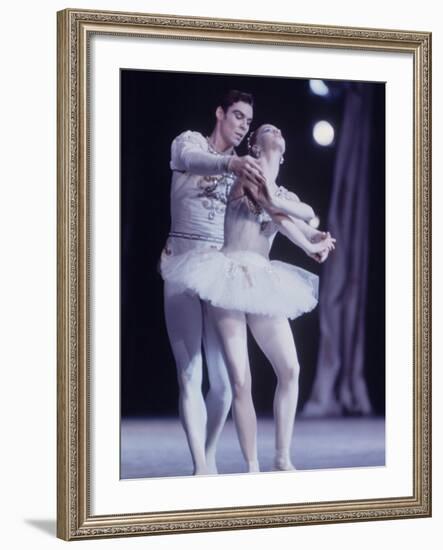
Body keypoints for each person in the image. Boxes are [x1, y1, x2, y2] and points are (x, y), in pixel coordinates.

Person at [162, 124, 335, 472]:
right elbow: (276, 212)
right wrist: (307, 244)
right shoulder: (247, 176)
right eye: (267, 129)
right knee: (240, 380)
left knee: (291, 368)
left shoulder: (282, 193)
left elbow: (297, 212)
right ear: (255, 146)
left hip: (262, 279)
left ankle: (282, 456)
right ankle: (252, 465)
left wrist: (318, 240)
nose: (275, 130)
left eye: (278, 130)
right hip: (227, 276)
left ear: (283, 152)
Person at [160, 90, 266, 475]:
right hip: (182, 262)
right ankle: (201, 466)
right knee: (190, 372)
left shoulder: (243, 169)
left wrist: (309, 234)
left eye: (248, 121)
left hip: (217, 269)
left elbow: (266, 209)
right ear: (219, 113)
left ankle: (208, 455)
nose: (242, 125)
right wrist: (231, 164)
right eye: (237, 115)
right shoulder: (189, 142)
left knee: (223, 383)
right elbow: (192, 161)